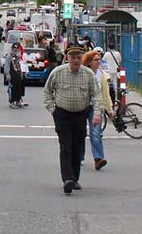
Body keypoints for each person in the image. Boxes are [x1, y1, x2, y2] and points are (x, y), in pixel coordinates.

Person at [43, 44, 102, 194]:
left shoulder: (88, 74)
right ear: (67, 58)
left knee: (77, 147)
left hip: (80, 114)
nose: (75, 60)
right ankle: (67, 179)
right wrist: (53, 110)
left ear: (82, 58)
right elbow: (47, 92)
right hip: (62, 115)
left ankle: (74, 178)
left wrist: (97, 113)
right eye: (72, 57)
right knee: (65, 146)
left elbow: (96, 95)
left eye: (78, 57)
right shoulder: (58, 72)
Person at [83, 50, 112, 170]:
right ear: (89, 62)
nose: (98, 62)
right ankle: (78, 156)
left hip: (96, 107)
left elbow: (105, 94)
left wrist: (109, 109)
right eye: (96, 60)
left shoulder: (103, 75)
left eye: (100, 59)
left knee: (96, 133)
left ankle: (98, 158)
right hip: (81, 106)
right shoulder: (83, 73)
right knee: (80, 133)